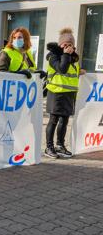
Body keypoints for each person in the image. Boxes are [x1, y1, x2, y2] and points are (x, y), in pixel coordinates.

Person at [44, 28, 85, 159]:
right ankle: (49, 147)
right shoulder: (53, 56)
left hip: (69, 94)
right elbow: (61, 69)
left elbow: (69, 73)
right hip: (56, 93)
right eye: (65, 45)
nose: (68, 47)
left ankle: (60, 146)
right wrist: (66, 55)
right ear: (60, 45)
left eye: (70, 45)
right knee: (54, 120)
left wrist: (79, 71)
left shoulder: (73, 59)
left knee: (64, 120)